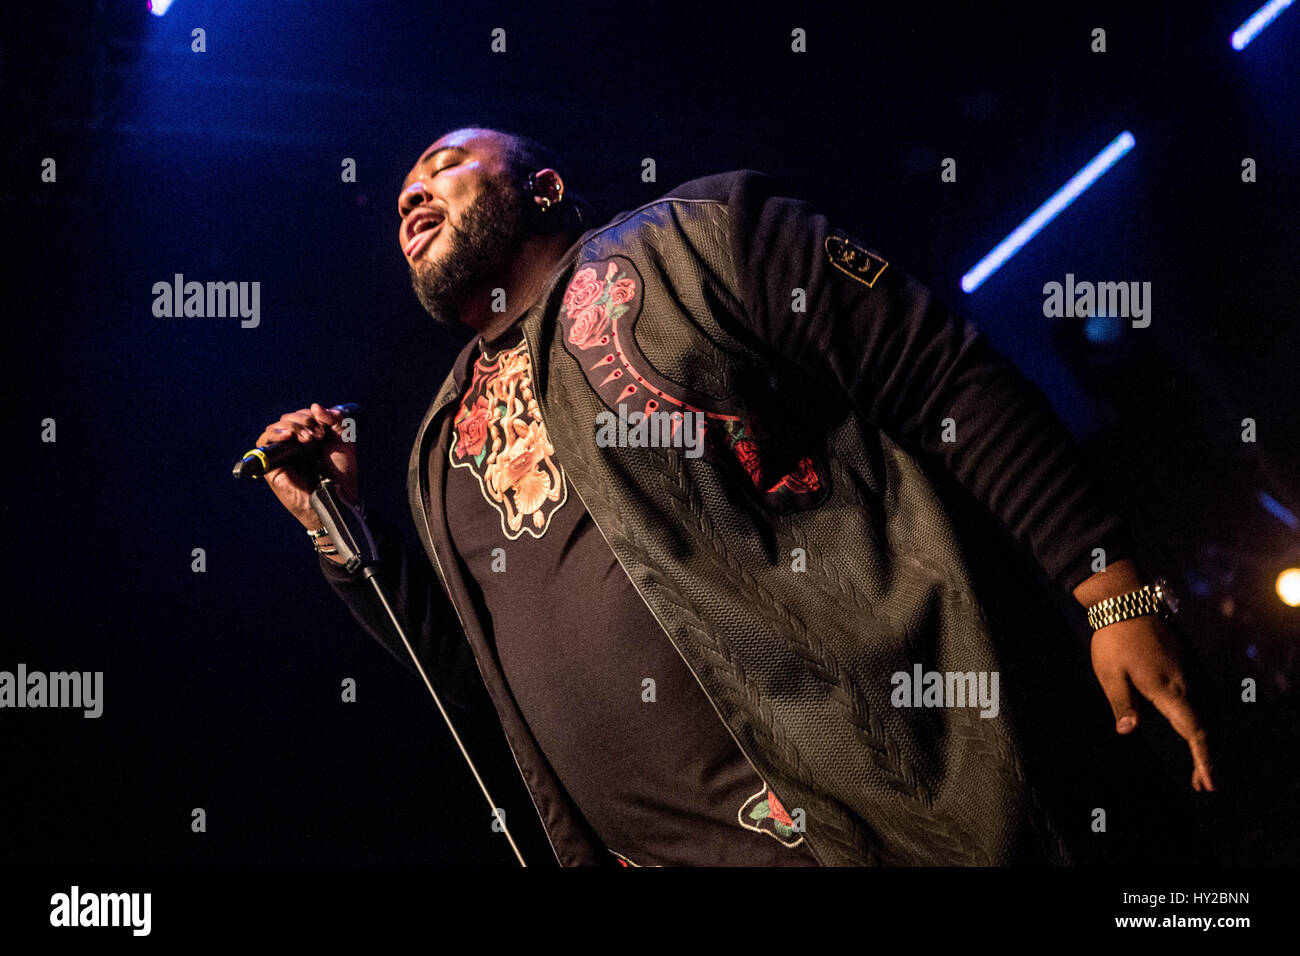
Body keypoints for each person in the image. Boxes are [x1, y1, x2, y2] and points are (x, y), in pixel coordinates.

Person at [251, 126, 1215, 867]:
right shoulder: (432, 444)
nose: (413, 190)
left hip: (891, 809)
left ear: (542, 188)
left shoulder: (702, 238)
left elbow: (943, 378)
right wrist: (340, 531)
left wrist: (1111, 594)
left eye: (449, 163)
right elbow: (476, 680)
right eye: (406, 188)